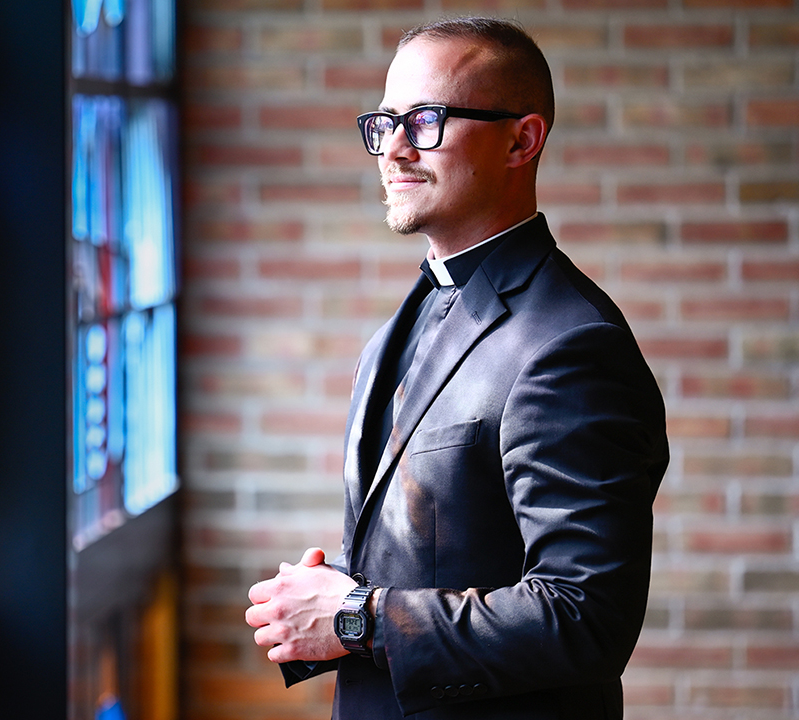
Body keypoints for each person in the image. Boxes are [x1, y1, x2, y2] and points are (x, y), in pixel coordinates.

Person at [243, 17, 669, 720]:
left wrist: (356, 616)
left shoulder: (571, 344)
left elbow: (585, 618)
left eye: (427, 119)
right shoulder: (409, 315)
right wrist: (321, 602)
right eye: (386, 122)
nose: (395, 147)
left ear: (522, 140)